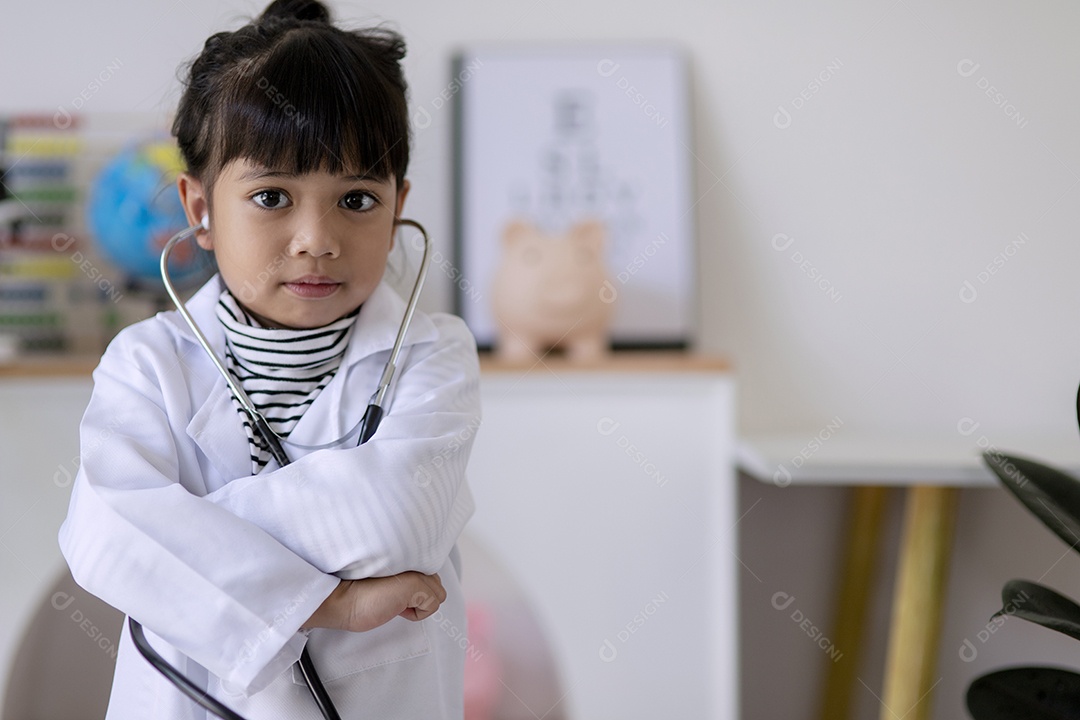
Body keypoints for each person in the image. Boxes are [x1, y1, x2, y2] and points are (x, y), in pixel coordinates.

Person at [57, 1, 480, 717]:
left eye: (355, 198)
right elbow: (107, 533)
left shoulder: (431, 355)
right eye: (273, 196)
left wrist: (183, 540)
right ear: (200, 209)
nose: (316, 238)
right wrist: (334, 601)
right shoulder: (148, 363)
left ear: (399, 203)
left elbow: (400, 513)